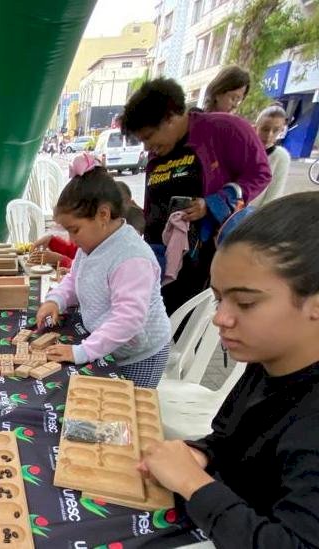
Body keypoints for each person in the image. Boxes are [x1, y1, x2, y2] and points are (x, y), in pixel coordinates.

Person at [140, 192, 319, 547]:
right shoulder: (267, 358)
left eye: (246, 302)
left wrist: (193, 482)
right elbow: (227, 437)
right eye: (219, 298)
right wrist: (200, 453)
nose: (220, 318)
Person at [120, 78, 271, 314]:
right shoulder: (158, 153)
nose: (148, 147)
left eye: (149, 137)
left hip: (200, 259)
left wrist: (212, 203)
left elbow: (260, 173)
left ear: (170, 117)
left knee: (183, 325)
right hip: (160, 253)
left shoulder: (224, 128)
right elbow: (153, 204)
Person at [36, 153, 171, 388]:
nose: (70, 239)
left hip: (138, 355)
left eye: (74, 230)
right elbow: (75, 278)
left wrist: (83, 351)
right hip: (107, 344)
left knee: (124, 416)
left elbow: (128, 320)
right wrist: (56, 300)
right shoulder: (92, 244)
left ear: (103, 215)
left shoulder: (132, 258)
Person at [250, 105, 291, 207]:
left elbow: (274, 194)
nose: (269, 135)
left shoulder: (281, 156)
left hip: (255, 215)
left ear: (281, 131)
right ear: (255, 128)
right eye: (265, 129)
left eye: (276, 130)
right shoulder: (245, 150)